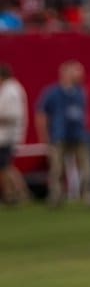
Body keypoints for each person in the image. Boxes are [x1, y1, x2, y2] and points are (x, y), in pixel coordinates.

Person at [37, 60, 90, 205]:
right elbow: (41, 114)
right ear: (66, 74)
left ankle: (88, 195)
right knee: (57, 169)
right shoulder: (52, 92)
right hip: (59, 135)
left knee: (87, 167)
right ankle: (56, 196)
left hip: (79, 135)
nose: (80, 75)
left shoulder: (81, 91)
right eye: (76, 72)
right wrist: (45, 137)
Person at [0, 62, 32, 204]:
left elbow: (13, 114)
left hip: (7, 135)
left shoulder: (11, 91)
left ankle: (20, 193)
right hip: (6, 134)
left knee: (5, 166)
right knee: (5, 166)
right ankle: (11, 194)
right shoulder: (10, 89)